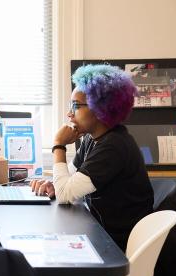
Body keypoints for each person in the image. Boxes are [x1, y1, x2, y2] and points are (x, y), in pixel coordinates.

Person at [31, 64, 153, 251]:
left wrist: (59, 145)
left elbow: (65, 195)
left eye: (76, 106)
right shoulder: (92, 139)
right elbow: (68, 183)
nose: (69, 113)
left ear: (100, 107)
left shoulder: (114, 146)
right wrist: (53, 184)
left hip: (114, 246)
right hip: (100, 233)